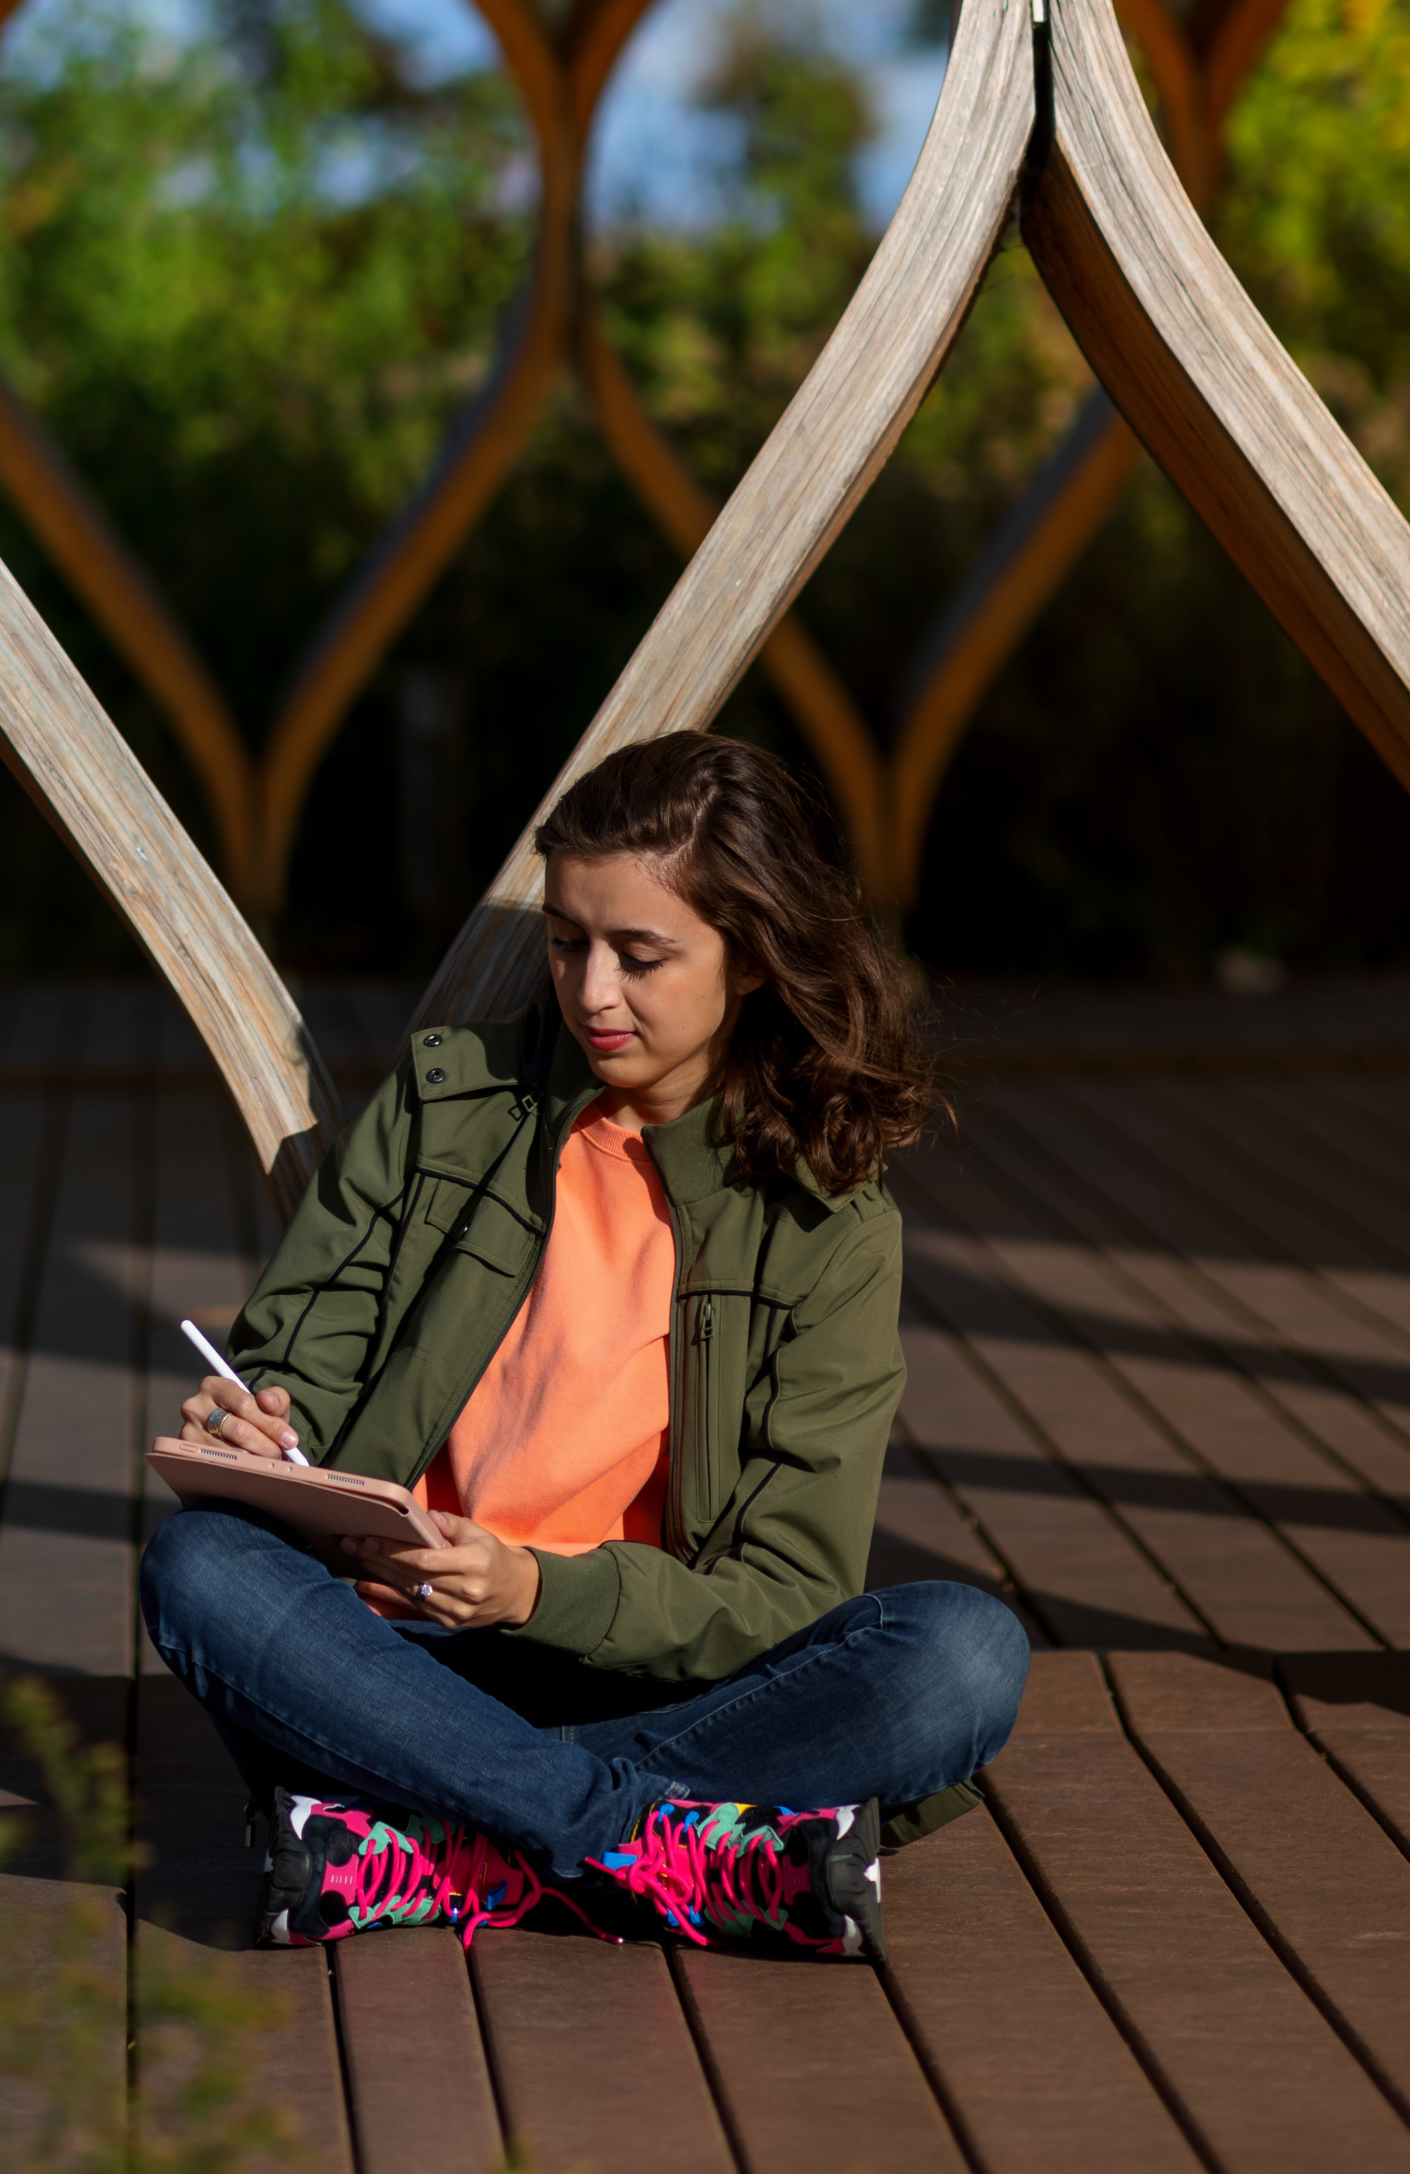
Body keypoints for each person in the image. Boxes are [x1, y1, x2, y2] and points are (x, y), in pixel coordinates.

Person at [140, 730, 1029, 1958]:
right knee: (202, 1567)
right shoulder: (455, 1104)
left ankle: (431, 1846)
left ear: (756, 956)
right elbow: (308, 1359)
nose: (590, 990)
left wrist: (534, 1587)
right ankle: (665, 1847)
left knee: (962, 1656)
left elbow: (786, 1594)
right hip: (398, 1660)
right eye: (567, 942)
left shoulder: (829, 1221)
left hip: (666, 1681)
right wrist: (265, 1428)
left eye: (640, 953)